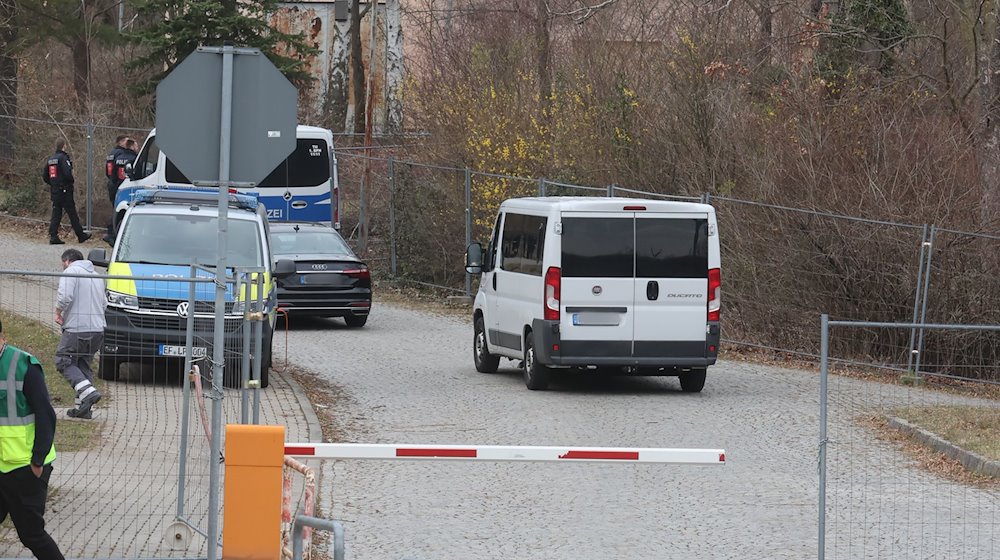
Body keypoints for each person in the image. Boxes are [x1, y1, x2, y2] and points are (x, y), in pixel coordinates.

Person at [0, 318, 66, 560]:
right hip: (1, 466)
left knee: (31, 535)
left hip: (25, 468)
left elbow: (46, 415)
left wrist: (37, 461)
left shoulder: (23, 365)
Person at [55, 248, 106, 419]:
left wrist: (58, 313)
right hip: (97, 329)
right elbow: (104, 303)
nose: (64, 268)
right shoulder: (98, 277)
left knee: (64, 360)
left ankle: (89, 392)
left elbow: (65, 297)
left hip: (77, 328)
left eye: (63, 265)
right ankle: (83, 409)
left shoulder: (71, 271)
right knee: (83, 364)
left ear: (68, 261)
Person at [42, 138, 90, 245]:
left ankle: (53, 236)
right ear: (64, 145)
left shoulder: (51, 159)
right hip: (64, 190)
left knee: (56, 213)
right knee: (72, 213)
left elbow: (45, 176)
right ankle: (81, 235)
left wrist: (53, 183)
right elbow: (67, 173)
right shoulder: (63, 158)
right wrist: (70, 181)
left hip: (55, 190)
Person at [102, 136, 138, 245]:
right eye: (136, 145)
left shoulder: (115, 155)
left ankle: (111, 233)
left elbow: (111, 173)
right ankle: (113, 235)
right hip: (127, 187)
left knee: (115, 209)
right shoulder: (133, 158)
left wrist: (115, 183)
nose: (138, 147)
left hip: (115, 185)